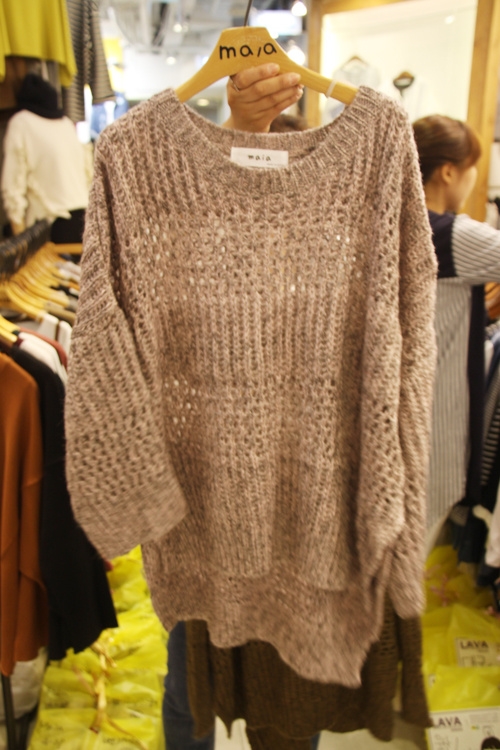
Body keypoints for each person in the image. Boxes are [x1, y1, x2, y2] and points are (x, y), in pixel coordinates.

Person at [1, 73, 90, 242]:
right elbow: (87, 175)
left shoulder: (21, 123)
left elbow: (12, 189)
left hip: (51, 225)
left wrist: (21, 245)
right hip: (85, 220)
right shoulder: (66, 123)